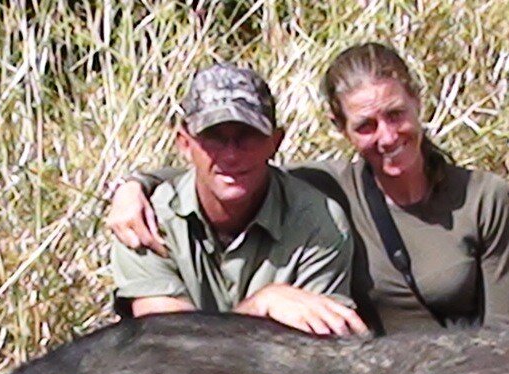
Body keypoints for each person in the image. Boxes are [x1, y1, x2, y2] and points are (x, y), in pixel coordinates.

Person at [108, 43, 509, 335]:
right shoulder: (329, 189)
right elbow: (229, 178)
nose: (387, 136)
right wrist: (132, 185)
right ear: (340, 129)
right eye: (365, 125)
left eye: (396, 114)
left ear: (418, 102)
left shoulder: (482, 197)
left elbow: (505, 332)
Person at [110, 62, 368, 337]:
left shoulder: (318, 221)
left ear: (275, 142)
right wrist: (261, 306)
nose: (231, 155)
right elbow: (171, 349)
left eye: (248, 135)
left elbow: (314, 352)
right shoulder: (144, 221)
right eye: (213, 137)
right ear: (185, 144)